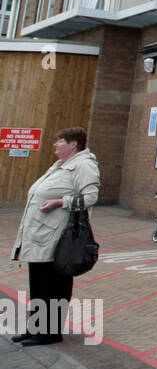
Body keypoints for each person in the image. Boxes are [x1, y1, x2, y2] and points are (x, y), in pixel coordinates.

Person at [9, 127, 100, 346]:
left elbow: (90, 197)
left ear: (73, 145)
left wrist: (60, 202)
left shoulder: (84, 165)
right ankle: (35, 329)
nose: (55, 145)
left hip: (57, 240)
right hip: (41, 237)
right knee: (39, 286)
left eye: (60, 141)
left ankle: (49, 334)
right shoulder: (60, 165)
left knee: (53, 287)